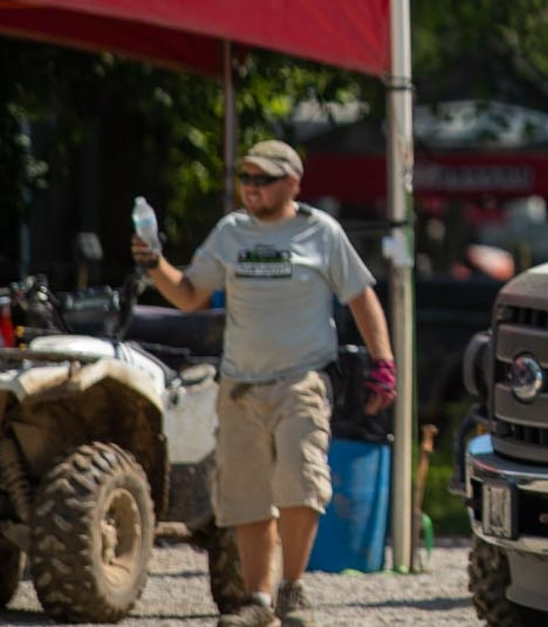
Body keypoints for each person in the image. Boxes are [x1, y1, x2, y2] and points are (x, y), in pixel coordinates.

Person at [132, 140, 395, 627]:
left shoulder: (322, 233)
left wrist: (384, 363)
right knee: (247, 495)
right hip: (240, 387)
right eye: (246, 178)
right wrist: (154, 264)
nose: (251, 188)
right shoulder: (230, 233)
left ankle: (292, 588)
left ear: (293, 183)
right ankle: (257, 601)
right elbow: (189, 295)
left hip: (301, 381)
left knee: (299, 478)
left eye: (263, 179)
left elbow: (362, 298)